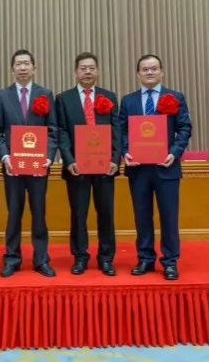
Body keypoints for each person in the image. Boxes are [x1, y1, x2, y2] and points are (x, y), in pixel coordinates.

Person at [119, 54, 192, 281]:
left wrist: (174, 152)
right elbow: (121, 130)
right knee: (142, 216)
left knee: (169, 217)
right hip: (138, 168)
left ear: (161, 72)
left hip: (166, 167)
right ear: (138, 74)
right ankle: (145, 258)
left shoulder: (175, 97)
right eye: (145, 69)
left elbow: (184, 128)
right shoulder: (128, 101)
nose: (149, 72)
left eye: (154, 68)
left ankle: (170, 261)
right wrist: (125, 151)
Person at [55, 52, 121, 276]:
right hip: (77, 168)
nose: (87, 72)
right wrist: (69, 160)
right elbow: (61, 132)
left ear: (98, 71)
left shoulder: (108, 97)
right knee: (78, 214)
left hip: (105, 167)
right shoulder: (64, 99)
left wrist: (115, 159)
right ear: (76, 72)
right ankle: (80, 256)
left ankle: (106, 258)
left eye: (91, 68)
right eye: (83, 68)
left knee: (106, 213)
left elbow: (116, 130)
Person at [0, 49, 58, 277]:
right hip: (13, 167)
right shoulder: (2, 96)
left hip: (39, 167)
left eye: (26, 63)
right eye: (18, 64)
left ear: (34, 68)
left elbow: (53, 130)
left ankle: (41, 259)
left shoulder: (45, 94)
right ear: (12, 69)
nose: (22, 68)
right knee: (14, 214)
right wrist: (5, 157)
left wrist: (48, 158)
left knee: (39, 213)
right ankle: (12, 258)